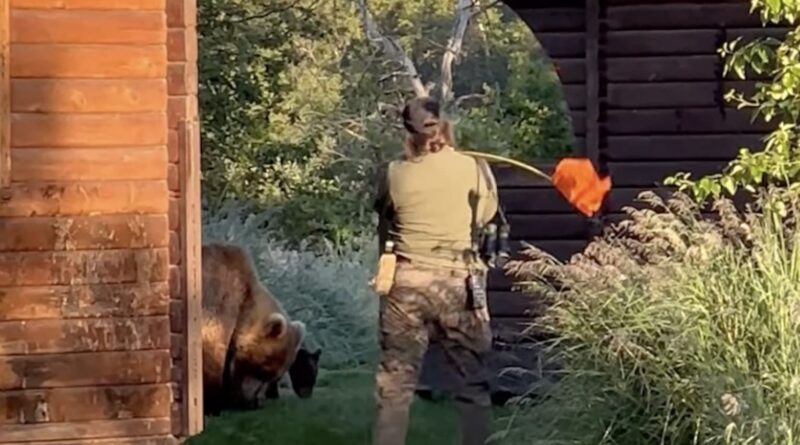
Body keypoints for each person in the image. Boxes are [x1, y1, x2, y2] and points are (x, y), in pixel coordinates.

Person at [371, 96, 499, 445]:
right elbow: (485, 216)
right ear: (445, 124)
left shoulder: (394, 172)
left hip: (406, 285)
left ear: (407, 132)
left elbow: (384, 210)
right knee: (471, 382)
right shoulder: (474, 168)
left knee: (396, 386)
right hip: (457, 284)